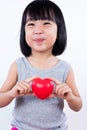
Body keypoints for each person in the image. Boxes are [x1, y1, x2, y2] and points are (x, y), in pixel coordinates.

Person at [0, 0, 82, 130]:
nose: (38, 30)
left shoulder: (65, 68)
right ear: (24, 31)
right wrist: (12, 93)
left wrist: (70, 97)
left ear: (59, 29)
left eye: (46, 23)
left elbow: (78, 106)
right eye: (31, 24)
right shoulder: (18, 65)